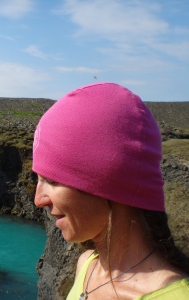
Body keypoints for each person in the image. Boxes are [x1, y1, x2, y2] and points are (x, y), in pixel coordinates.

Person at [32, 82, 189, 299]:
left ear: (108, 178)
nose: (38, 200)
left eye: (52, 180)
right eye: (38, 179)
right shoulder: (87, 266)